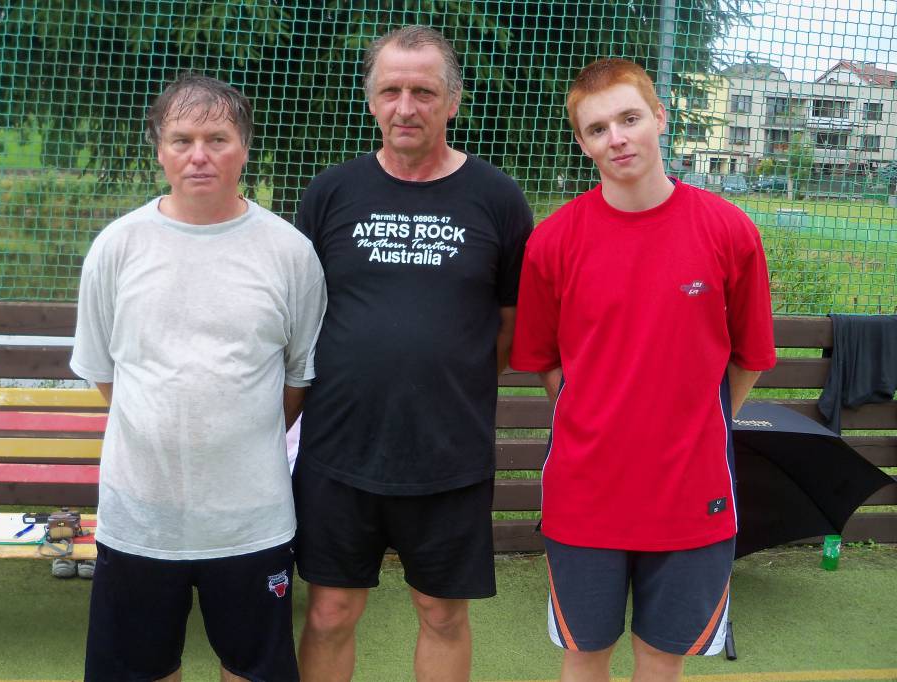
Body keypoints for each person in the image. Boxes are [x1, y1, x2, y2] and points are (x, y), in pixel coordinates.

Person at [509, 58, 777, 681]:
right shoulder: (553, 241)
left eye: (629, 118)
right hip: (585, 496)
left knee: (660, 661)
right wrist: (599, 418)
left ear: (659, 117)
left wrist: (693, 423)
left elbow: (750, 357)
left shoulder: (728, 229)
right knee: (585, 656)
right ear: (583, 143)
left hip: (691, 493)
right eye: (597, 128)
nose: (617, 138)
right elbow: (545, 363)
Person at [293, 25, 533, 682]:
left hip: (448, 453)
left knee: (442, 613)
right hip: (339, 449)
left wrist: (442, 378)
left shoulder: (498, 198)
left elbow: (509, 327)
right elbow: (300, 316)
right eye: (391, 91)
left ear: (452, 101)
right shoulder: (330, 193)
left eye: (423, 92)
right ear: (371, 100)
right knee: (330, 613)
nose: (406, 107)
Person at [70, 74, 326, 682]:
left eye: (218, 139)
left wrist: (232, 434)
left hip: (250, 520)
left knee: (254, 669)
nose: (199, 155)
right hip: (140, 519)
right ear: (160, 150)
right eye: (182, 140)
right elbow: (105, 374)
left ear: (244, 148)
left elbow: (298, 378)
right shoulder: (117, 248)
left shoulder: (290, 253)